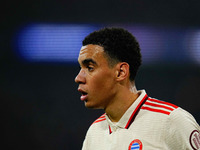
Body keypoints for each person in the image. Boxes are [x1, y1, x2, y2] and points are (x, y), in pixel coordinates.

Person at [75, 27, 200, 150]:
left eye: (90, 68)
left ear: (120, 72)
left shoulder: (171, 121)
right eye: (81, 68)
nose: (78, 78)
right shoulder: (94, 132)